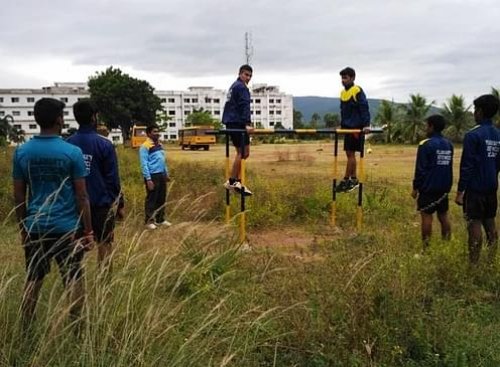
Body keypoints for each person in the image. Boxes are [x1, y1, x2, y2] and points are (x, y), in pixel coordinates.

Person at [12, 98, 93, 328]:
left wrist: (24, 228)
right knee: (74, 279)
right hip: (68, 229)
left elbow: (19, 197)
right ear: (59, 119)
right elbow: (82, 196)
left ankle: (25, 327)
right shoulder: (72, 152)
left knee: (33, 279)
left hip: (36, 227)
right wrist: (87, 230)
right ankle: (77, 328)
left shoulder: (21, 152)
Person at [67, 99, 124, 270]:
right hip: (101, 205)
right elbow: (112, 179)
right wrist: (119, 204)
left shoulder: (68, 144)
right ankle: (104, 286)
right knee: (105, 244)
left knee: (75, 246)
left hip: (74, 207)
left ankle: (74, 284)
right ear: (94, 117)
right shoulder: (104, 144)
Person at [455, 94, 500, 264]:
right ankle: (491, 262)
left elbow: (467, 166)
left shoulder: (473, 135)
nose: (474, 113)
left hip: (475, 189)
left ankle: (473, 266)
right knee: (490, 224)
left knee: (474, 224)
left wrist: (460, 192)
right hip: (492, 187)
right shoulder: (497, 134)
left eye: (475, 110)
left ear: (480, 112)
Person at [411, 115, 453, 249]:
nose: (425, 128)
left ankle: (426, 249)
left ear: (432, 127)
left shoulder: (425, 144)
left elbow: (420, 169)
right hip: (444, 187)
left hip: (429, 188)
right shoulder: (449, 144)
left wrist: (415, 187)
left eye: (426, 126)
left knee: (427, 217)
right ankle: (446, 247)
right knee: (443, 216)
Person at [336, 67, 371, 192]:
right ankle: (353, 179)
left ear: (352, 78)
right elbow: (343, 111)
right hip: (348, 128)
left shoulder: (357, 90)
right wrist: (342, 125)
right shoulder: (342, 93)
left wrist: (366, 124)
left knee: (351, 154)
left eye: (345, 78)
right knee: (349, 154)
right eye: (342, 78)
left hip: (356, 128)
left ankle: (347, 179)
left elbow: (364, 107)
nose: (343, 80)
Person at [222, 64, 254, 196]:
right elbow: (244, 106)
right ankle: (232, 181)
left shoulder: (233, 86)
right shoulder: (242, 88)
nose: (248, 78)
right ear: (240, 73)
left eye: (250, 76)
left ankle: (237, 181)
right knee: (244, 152)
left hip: (231, 122)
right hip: (238, 123)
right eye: (246, 75)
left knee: (241, 153)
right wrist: (247, 123)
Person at [139, 124, 171, 229]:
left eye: (158, 131)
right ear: (148, 134)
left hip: (161, 174)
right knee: (152, 198)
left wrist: (165, 173)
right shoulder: (145, 146)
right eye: (154, 131)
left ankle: (160, 219)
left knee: (161, 198)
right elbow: (144, 164)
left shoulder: (159, 145)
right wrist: (148, 179)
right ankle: (149, 221)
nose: (157, 133)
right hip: (152, 175)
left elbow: (162, 160)